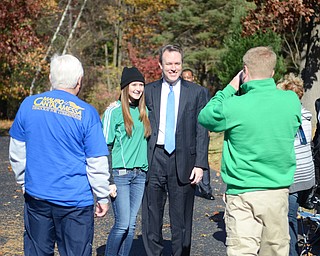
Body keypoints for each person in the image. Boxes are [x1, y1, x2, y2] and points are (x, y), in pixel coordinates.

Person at [198, 46, 301, 256]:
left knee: (242, 251)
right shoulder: (291, 101)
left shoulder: (235, 106)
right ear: (272, 72)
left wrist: (231, 87)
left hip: (243, 191)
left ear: (245, 71)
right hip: (277, 191)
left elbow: (205, 116)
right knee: (275, 251)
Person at [9, 54, 111, 256]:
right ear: (79, 80)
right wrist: (102, 195)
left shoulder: (28, 105)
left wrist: (23, 182)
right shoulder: (87, 113)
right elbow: (96, 160)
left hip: (37, 196)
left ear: (50, 78)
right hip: (75, 202)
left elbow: (17, 151)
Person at [142, 44, 210, 256]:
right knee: (152, 216)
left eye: (177, 63)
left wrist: (200, 164)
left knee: (181, 219)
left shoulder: (197, 93)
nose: (173, 68)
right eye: (169, 63)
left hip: (184, 162)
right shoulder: (148, 91)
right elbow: (130, 111)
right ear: (160, 65)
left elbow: (202, 130)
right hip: (155, 158)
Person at [101, 67, 151, 256]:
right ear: (125, 87)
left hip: (140, 175)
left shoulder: (144, 111)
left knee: (131, 225)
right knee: (121, 225)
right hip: (120, 175)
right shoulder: (113, 111)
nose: (138, 88)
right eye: (134, 84)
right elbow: (102, 147)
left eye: (141, 85)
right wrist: (108, 181)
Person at [277, 73, 315, 256]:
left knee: (288, 219)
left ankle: (291, 252)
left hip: (294, 175)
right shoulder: (306, 115)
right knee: (292, 216)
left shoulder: (287, 118)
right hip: (307, 175)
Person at [181, 68, 215, 201]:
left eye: (189, 77)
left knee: (202, 157)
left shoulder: (202, 91)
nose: (187, 80)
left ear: (193, 78)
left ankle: (206, 188)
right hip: (184, 131)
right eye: (184, 78)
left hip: (200, 129)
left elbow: (208, 111)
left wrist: (207, 128)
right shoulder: (179, 92)